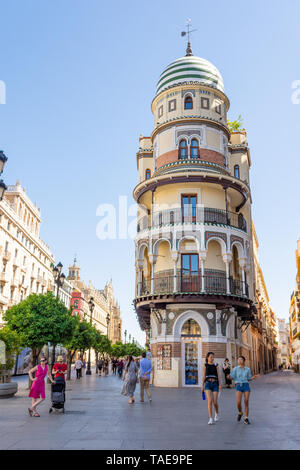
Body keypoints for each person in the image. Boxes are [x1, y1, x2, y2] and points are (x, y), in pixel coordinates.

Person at [228, 355, 257, 425]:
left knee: (246, 401)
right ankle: (240, 412)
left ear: (244, 361)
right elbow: (232, 377)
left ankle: (246, 418)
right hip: (238, 385)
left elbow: (249, 378)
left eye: (241, 359)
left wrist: (253, 377)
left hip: (246, 385)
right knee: (238, 402)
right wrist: (229, 377)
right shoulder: (235, 369)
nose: (239, 361)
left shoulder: (247, 369)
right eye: (238, 360)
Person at [201, 352, 222, 425]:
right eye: (211, 357)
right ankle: (210, 418)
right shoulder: (205, 365)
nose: (212, 358)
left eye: (213, 357)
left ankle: (216, 413)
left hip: (215, 384)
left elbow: (219, 375)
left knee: (215, 402)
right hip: (207, 384)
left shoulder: (216, 365)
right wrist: (202, 385)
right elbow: (203, 376)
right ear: (207, 358)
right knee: (210, 401)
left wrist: (219, 384)